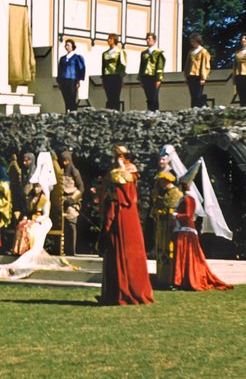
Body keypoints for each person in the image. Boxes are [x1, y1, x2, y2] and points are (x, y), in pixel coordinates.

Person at [0, 152, 75, 279]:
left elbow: (46, 214)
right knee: (22, 226)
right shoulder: (31, 197)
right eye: (35, 186)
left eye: (38, 186)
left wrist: (38, 219)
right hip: (33, 218)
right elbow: (28, 210)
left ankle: (28, 252)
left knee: (32, 230)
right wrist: (26, 217)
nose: (35, 188)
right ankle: (20, 251)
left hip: (43, 220)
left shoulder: (45, 198)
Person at [98, 144, 154, 306]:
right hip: (115, 212)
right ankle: (114, 292)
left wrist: (121, 172)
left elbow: (128, 194)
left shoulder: (130, 170)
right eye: (116, 156)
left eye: (121, 156)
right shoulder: (112, 171)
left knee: (127, 250)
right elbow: (106, 191)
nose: (118, 159)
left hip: (124, 213)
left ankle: (129, 290)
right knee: (114, 250)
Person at [173, 177, 234, 292]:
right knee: (183, 256)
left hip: (187, 231)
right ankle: (182, 281)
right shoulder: (184, 199)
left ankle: (189, 280)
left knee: (190, 257)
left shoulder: (189, 199)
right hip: (182, 230)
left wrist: (176, 215)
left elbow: (188, 215)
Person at [150, 167, 183, 288]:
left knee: (170, 251)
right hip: (161, 227)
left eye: (161, 181)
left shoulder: (176, 193)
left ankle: (170, 278)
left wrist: (163, 212)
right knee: (160, 251)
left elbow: (173, 210)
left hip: (170, 227)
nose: (160, 183)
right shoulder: (160, 193)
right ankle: (161, 277)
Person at [60, 150, 84, 256]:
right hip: (61, 201)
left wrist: (73, 199)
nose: (65, 163)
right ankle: (61, 250)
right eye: (63, 161)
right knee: (61, 226)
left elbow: (81, 188)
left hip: (71, 201)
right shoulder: (60, 171)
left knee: (71, 224)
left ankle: (71, 251)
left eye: (66, 161)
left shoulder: (75, 172)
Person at [138, 32, 165, 112]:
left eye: (149, 39)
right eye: (147, 39)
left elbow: (160, 66)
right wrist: (140, 79)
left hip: (154, 77)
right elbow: (141, 66)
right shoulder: (144, 53)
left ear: (154, 40)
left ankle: (155, 112)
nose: (147, 40)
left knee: (154, 96)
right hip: (145, 77)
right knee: (148, 97)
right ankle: (149, 112)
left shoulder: (159, 52)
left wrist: (159, 79)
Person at [57, 38, 86, 112]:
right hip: (64, 80)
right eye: (65, 45)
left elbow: (81, 68)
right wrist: (59, 81)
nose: (66, 47)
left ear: (72, 46)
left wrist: (78, 80)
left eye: (68, 45)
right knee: (66, 98)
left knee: (72, 98)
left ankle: (73, 113)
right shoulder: (62, 58)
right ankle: (67, 112)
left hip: (72, 79)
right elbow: (60, 70)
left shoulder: (76, 57)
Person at [185, 32, 211, 108]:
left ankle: (200, 108)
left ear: (197, 41)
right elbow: (187, 64)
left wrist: (203, 77)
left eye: (193, 41)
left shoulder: (203, 51)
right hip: (191, 75)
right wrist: (186, 76)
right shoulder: (191, 52)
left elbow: (205, 65)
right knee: (192, 95)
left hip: (198, 76)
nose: (192, 43)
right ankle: (193, 109)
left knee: (198, 94)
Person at [101, 33, 127, 110]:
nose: (109, 40)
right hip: (107, 76)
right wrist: (103, 79)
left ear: (115, 40)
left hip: (116, 76)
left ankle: (116, 113)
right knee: (109, 97)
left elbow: (123, 65)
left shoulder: (119, 52)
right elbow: (103, 66)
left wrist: (121, 77)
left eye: (111, 39)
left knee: (115, 97)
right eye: (108, 39)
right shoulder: (105, 53)